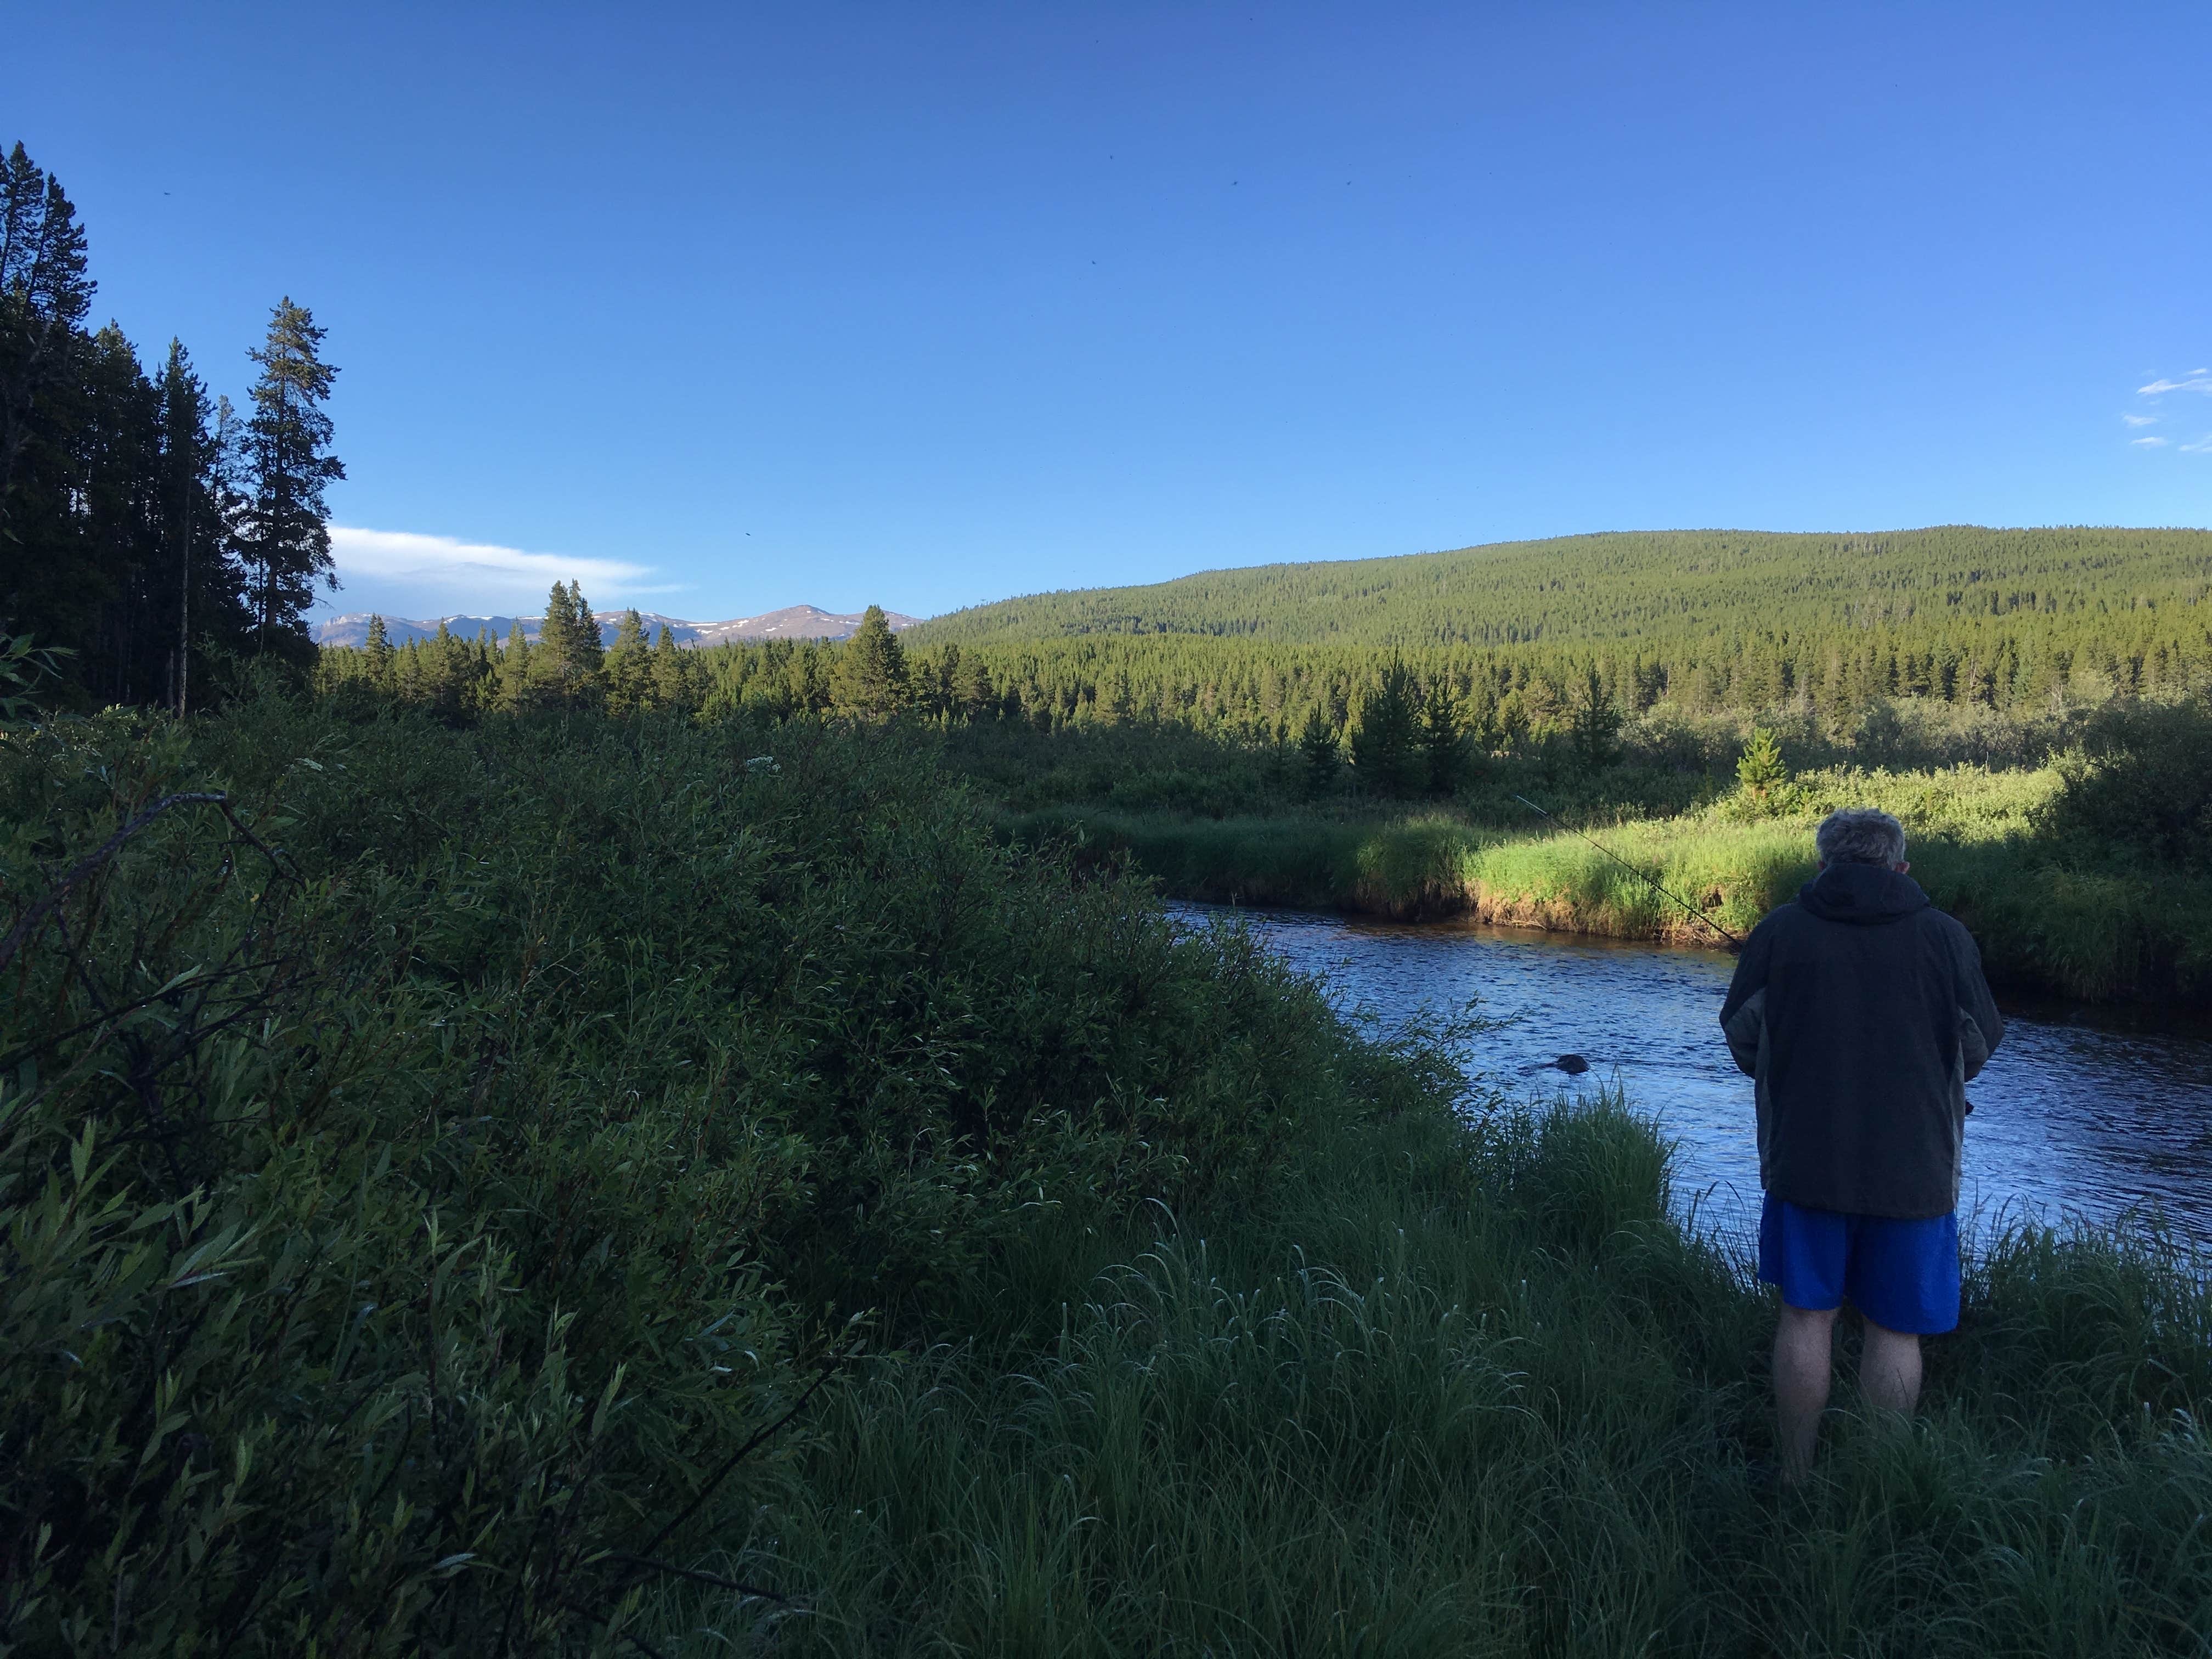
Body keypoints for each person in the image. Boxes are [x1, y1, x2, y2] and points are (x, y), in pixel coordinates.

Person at [1719, 806, 2004, 1482]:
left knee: (1806, 1316)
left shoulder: (1780, 929)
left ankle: (1795, 1476)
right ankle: (1877, 1485)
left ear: (1823, 865)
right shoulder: (1946, 936)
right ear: (1901, 867)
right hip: (1917, 1168)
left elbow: (1742, 1034)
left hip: (1804, 1161)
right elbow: (1978, 1043)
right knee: (1896, 1327)